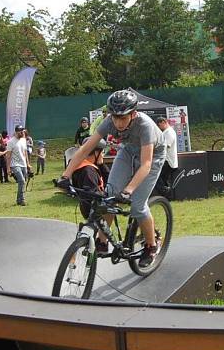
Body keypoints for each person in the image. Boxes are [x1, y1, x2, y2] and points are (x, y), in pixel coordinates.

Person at [59, 90, 165, 266]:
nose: (118, 122)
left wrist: (129, 190)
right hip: (128, 150)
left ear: (133, 114)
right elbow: (85, 150)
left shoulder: (145, 125)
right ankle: (102, 241)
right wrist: (65, 175)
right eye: (115, 117)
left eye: (123, 118)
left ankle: (151, 245)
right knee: (108, 197)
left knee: (138, 206)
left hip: (152, 157)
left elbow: (146, 164)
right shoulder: (109, 122)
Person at [71, 139, 110, 219]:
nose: (102, 155)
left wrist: (101, 165)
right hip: (94, 210)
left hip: (88, 209)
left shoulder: (83, 165)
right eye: (102, 152)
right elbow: (92, 193)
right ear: (96, 153)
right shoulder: (89, 171)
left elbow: (108, 179)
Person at [4, 125, 29, 206]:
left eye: (23, 130)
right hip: (15, 164)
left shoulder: (23, 140)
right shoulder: (11, 142)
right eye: (20, 131)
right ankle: (22, 200)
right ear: (16, 132)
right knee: (21, 180)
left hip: (23, 164)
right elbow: (8, 156)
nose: (22, 132)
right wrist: (8, 168)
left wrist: (28, 164)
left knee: (23, 182)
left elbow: (25, 153)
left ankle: (19, 199)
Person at [155, 116, 178, 195]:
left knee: (157, 176)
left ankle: (165, 191)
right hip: (165, 159)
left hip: (167, 160)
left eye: (159, 125)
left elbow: (167, 145)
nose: (159, 127)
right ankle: (167, 195)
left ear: (163, 122)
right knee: (163, 179)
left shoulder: (169, 132)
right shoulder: (165, 132)